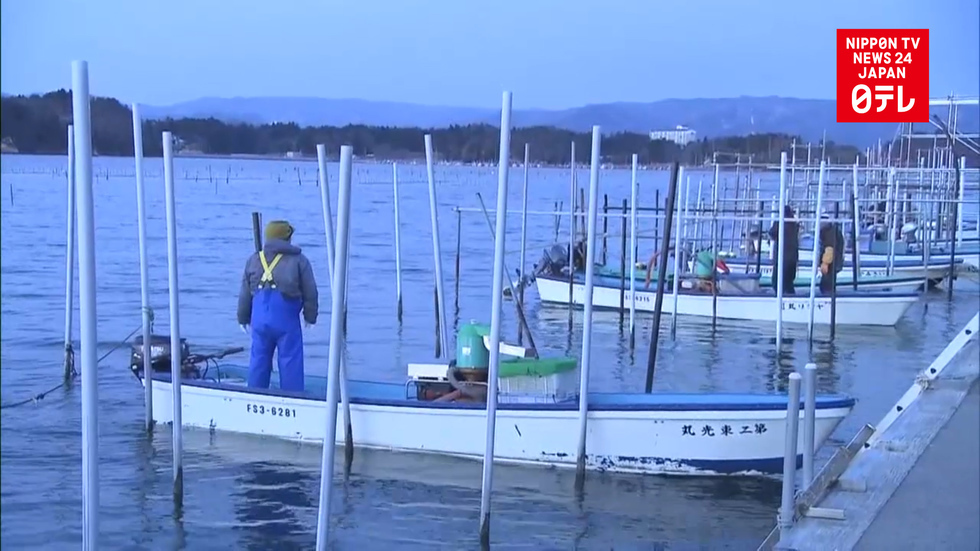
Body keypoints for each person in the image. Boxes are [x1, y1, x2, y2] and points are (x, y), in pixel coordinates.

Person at [237, 220, 318, 392]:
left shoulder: (253, 260)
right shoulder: (300, 261)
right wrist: (310, 317)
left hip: (259, 322)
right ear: (288, 238)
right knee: (290, 361)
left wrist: (242, 318)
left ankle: (254, 396)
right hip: (286, 323)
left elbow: (245, 293)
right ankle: (293, 399)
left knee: (258, 359)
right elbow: (310, 292)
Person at [768, 205, 800, 295]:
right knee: (789, 282)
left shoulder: (779, 222)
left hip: (781, 257)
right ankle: (790, 297)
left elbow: (772, 233)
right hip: (792, 258)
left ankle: (779, 298)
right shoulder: (794, 224)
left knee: (777, 281)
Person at [818, 214, 845, 294]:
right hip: (835, 261)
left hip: (831, 264)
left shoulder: (828, 232)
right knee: (829, 284)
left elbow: (830, 248)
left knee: (826, 286)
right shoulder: (833, 230)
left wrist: (825, 263)